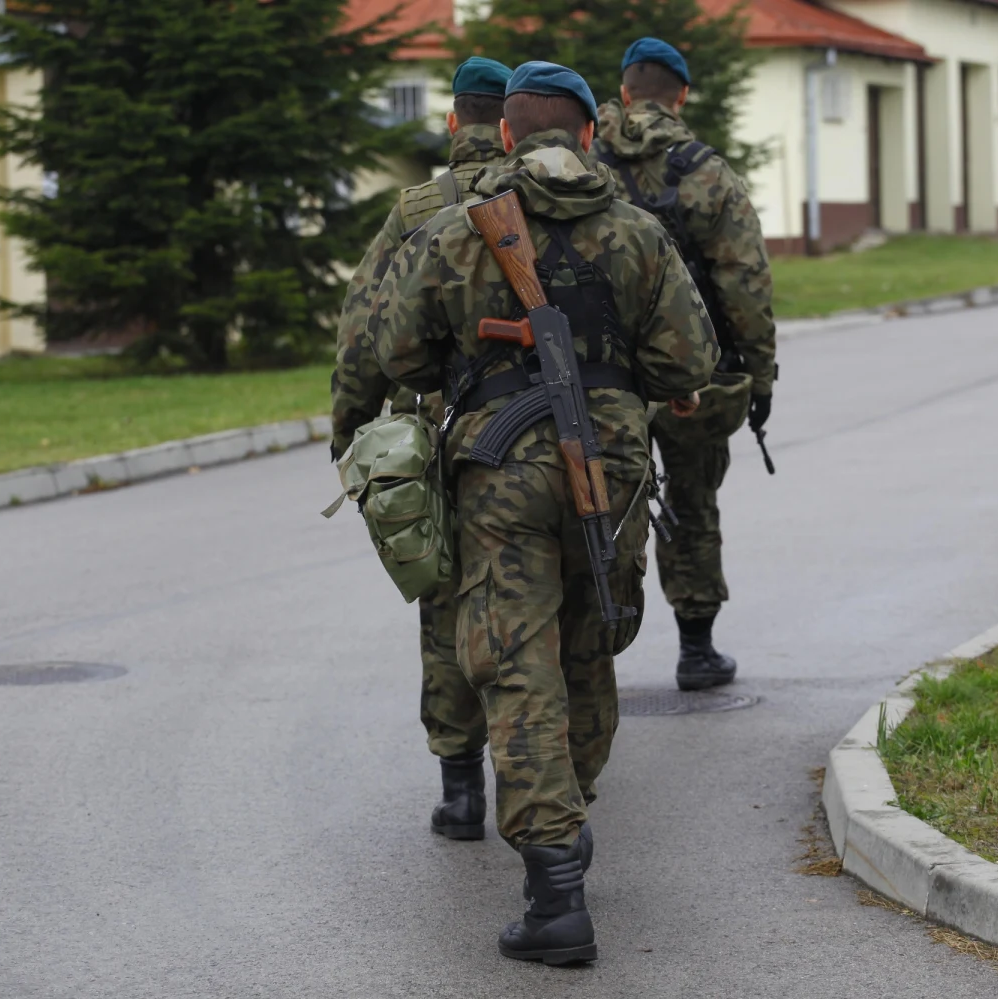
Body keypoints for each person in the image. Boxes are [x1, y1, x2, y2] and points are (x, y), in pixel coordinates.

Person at [370, 61, 717, 964]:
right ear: (592, 136)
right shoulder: (638, 233)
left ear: (509, 138)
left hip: (499, 474)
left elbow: (398, 354)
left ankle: (556, 888)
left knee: (517, 661)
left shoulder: (454, 232)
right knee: (589, 640)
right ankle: (568, 820)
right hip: (609, 466)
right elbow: (688, 367)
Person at [330, 57, 513, 841]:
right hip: (540, 426)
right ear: (511, 124)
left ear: (451, 123)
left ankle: (461, 789)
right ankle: (546, 777)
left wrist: (351, 434)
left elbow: (362, 331)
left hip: (442, 431)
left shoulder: (416, 210)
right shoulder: (544, 196)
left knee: (445, 602)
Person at [596, 37, 777, 692]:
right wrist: (759, 375)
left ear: (624, 92)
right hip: (693, 374)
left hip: (600, 375)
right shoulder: (706, 172)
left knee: (607, 503)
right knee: (692, 497)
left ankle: (594, 650)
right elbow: (745, 284)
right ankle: (696, 649)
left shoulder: (582, 166)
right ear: (681, 95)